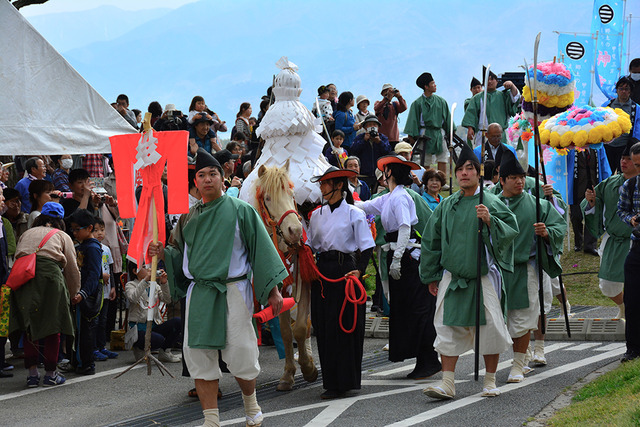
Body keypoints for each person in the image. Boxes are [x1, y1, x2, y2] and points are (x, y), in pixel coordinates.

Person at [148, 149, 287, 427]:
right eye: (202, 175)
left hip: (233, 290)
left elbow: (262, 249)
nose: (207, 179)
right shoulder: (187, 217)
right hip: (199, 293)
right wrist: (162, 252)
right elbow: (178, 252)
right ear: (196, 182)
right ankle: (210, 420)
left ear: (223, 178)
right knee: (199, 357)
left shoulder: (241, 210)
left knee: (241, 353)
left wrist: (273, 290)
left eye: (213, 174)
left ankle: (252, 406)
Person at [420, 144, 518, 399]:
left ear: (478, 173)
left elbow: (510, 230)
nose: (464, 173)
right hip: (452, 277)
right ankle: (448, 382)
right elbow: (432, 240)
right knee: (446, 327)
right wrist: (431, 274)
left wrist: (489, 220)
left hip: (483, 275)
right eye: (460, 169)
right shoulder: (446, 205)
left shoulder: (491, 201)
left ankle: (489, 379)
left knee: (490, 330)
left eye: (470, 169)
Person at [357, 154, 442, 380]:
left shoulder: (401, 197)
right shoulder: (388, 197)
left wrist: (397, 258)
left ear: (389, 174)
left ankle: (429, 359)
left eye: (385, 171)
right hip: (398, 254)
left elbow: (405, 227)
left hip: (408, 257)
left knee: (418, 308)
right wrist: (345, 196)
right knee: (406, 308)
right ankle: (422, 358)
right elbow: (365, 206)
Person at [496, 150, 566, 383]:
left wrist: (547, 234)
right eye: (514, 177)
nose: (520, 181)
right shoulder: (491, 203)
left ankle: (517, 365)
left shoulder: (536, 204)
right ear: (502, 179)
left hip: (526, 268)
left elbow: (560, 225)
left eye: (522, 177)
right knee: (497, 319)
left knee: (525, 318)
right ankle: (507, 362)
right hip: (496, 271)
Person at [306, 166, 374, 399]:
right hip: (323, 273)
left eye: (325, 183)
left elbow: (367, 246)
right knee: (325, 326)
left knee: (345, 325)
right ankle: (331, 382)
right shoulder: (315, 215)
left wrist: (359, 272)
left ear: (337, 186)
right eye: (321, 183)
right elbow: (310, 246)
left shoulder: (354, 213)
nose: (321, 187)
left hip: (346, 270)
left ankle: (346, 380)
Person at [9, 202, 80, 387]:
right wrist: (74, 294)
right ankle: (50, 374)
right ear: (60, 220)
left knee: (30, 325)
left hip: (25, 277)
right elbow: (72, 269)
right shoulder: (62, 235)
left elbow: (18, 256)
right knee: (53, 324)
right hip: (50, 277)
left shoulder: (26, 233)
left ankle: (32, 375)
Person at [68, 209, 103, 375]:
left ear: (89, 228)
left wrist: (83, 294)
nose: (74, 233)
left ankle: (87, 364)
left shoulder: (93, 248)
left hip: (89, 296)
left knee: (86, 331)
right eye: (72, 229)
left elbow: (94, 275)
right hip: (81, 294)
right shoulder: (82, 246)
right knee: (78, 330)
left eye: (77, 229)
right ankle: (77, 362)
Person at [125, 263, 182, 363]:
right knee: (158, 340)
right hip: (138, 328)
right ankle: (139, 348)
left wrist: (164, 283)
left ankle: (165, 352)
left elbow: (167, 299)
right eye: (144, 267)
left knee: (178, 322)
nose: (148, 269)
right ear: (135, 271)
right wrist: (145, 280)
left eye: (148, 266)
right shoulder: (130, 285)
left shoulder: (154, 284)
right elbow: (133, 298)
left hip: (153, 325)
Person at [616, 141, 640, 363]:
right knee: (632, 300)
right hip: (637, 247)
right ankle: (632, 348)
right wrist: (630, 219)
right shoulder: (629, 186)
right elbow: (621, 210)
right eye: (636, 164)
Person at [404, 72, 451, 174]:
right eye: (433, 83)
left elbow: (448, 119)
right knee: (425, 159)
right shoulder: (417, 103)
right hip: (424, 133)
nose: (435, 85)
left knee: (442, 157)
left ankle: (442, 182)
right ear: (426, 86)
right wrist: (412, 136)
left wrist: (450, 132)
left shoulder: (441, 102)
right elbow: (413, 120)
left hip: (439, 132)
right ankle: (426, 181)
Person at [568, 147, 611, 255]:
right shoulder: (571, 147)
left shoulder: (598, 147)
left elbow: (603, 164)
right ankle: (578, 241)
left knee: (593, 213)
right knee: (576, 215)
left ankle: (590, 245)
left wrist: (606, 181)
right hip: (577, 186)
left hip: (593, 184)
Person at [462, 68, 521, 146]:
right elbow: (471, 113)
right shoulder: (476, 98)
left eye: (492, 79)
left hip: (500, 135)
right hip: (483, 134)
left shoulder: (503, 95)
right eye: (487, 80)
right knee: (483, 156)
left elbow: (515, 98)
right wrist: (470, 128)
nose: (489, 81)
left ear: (497, 81)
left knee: (501, 156)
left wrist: (512, 85)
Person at [92, 217, 118, 361]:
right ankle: (94, 348)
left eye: (102, 230)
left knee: (103, 321)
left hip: (107, 292)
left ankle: (102, 347)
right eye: (96, 230)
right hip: (96, 291)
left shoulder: (106, 248)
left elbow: (111, 268)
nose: (99, 233)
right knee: (95, 321)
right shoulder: (90, 247)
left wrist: (113, 287)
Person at [604, 77, 640, 173]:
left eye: (626, 88)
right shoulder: (607, 105)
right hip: (608, 146)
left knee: (623, 174)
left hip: (625, 147)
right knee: (607, 173)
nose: (623, 91)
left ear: (630, 91)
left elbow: (638, 129)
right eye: (621, 88)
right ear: (616, 90)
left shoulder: (636, 108)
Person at [349, 115, 391, 188]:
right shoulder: (360, 137)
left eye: (374, 125)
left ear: (378, 127)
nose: (372, 127)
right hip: (363, 175)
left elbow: (387, 151)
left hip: (379, 175)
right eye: (369, 125)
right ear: (365, 127)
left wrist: (379, 142)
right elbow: (353, 151)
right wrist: (364, 141)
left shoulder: (383, 138)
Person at [375, 84, 407, 149]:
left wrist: (399, 97)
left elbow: (404, 107)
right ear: (382, 93)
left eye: (390, 91)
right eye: (386, 91)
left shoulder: (395, 104)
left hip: (394, 138)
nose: (388, 92)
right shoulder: (379, 103)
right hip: (381, 138)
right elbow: (376, 108)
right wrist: (386, 99)